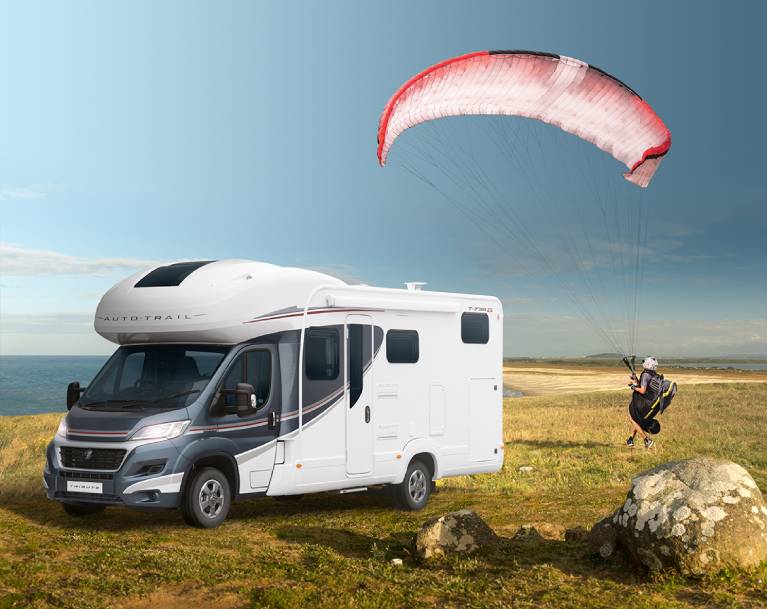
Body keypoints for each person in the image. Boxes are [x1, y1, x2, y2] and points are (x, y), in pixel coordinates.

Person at [626, 357, 662, 449]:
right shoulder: (653, 374)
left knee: (632, 418)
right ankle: (630, 439)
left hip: (645, 404)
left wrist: (632, 387)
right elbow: (644, 385)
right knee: (638, 420)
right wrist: (636, 379)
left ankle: (646, 440)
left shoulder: (646, 374)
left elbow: (642, 390)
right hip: (652, 404)